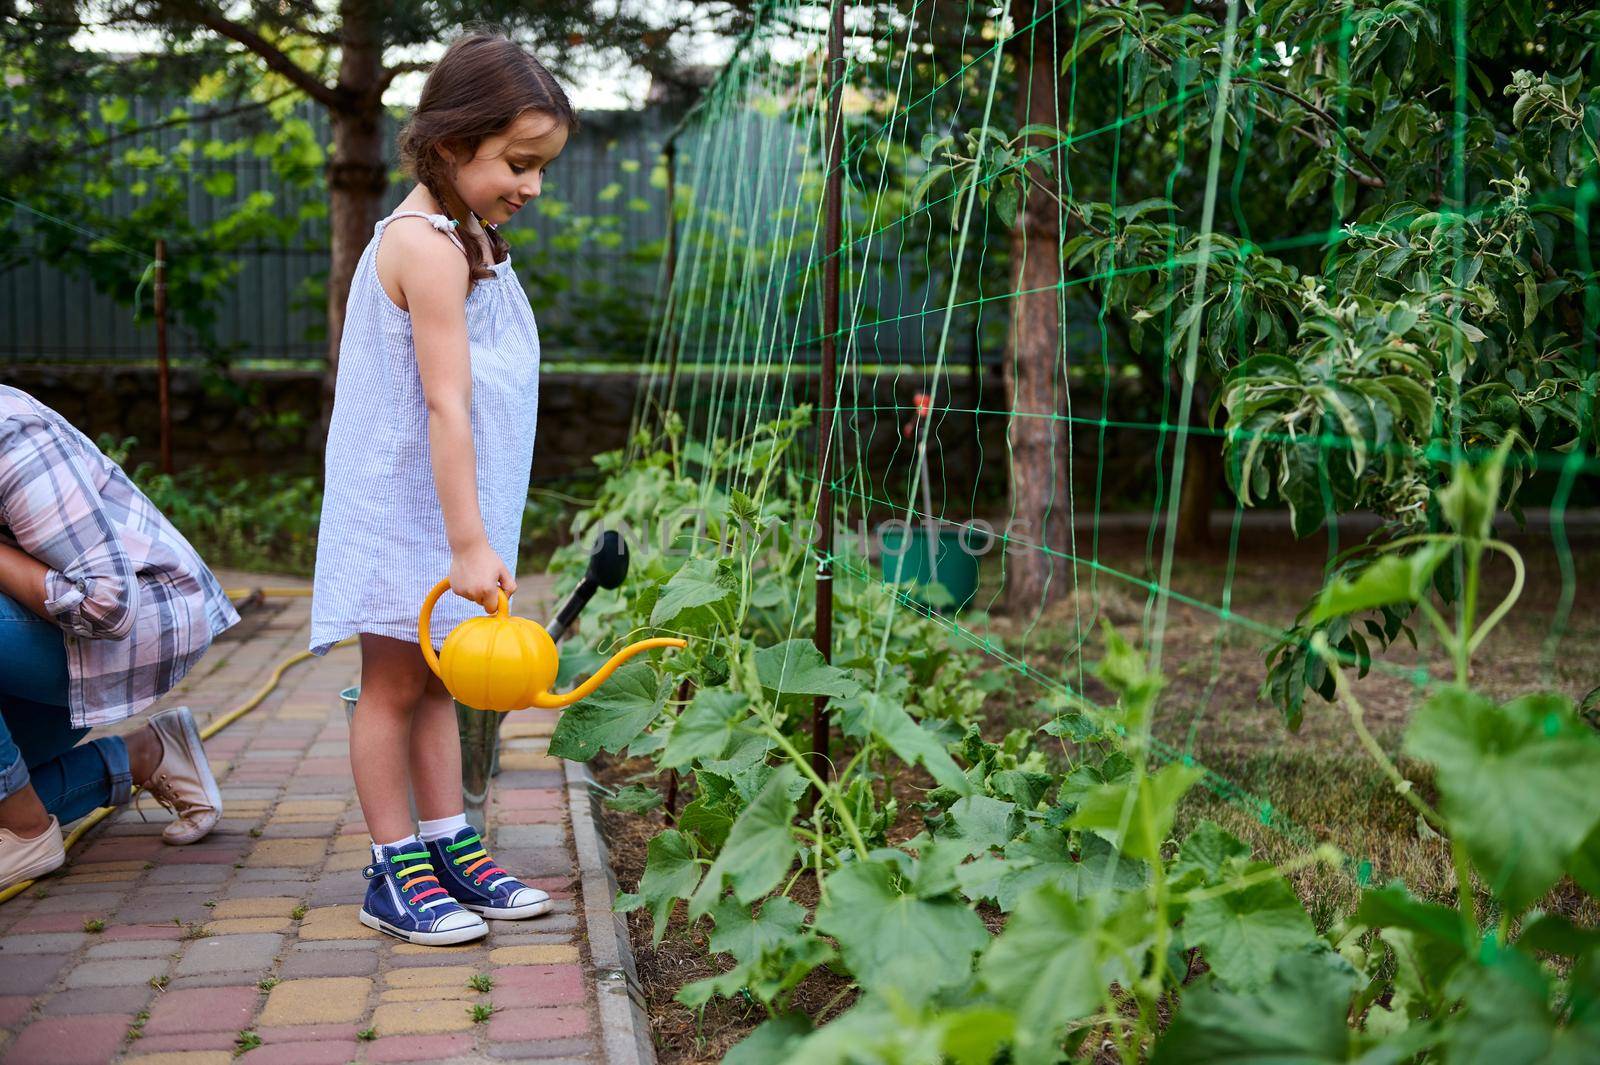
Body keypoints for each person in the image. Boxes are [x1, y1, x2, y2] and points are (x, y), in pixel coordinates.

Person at [309, 31, 576, 946]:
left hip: (447, 504)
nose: (532, 185)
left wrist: (473, 527)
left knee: (438, 682)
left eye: (541, 167)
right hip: (405, 508)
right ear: (455, 140)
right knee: (391, 684)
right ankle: (393, 868)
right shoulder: (426, 247)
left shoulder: (470, 235)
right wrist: (467, 541)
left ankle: (447, 840)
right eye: (519, 162)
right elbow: (444, 402)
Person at [0, 385, 238, 890]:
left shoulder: (9, 434)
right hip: (41, 639)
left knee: (10, 802)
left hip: (131, 626)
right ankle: (140, 754)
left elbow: (106, 604)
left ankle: (23, 833)